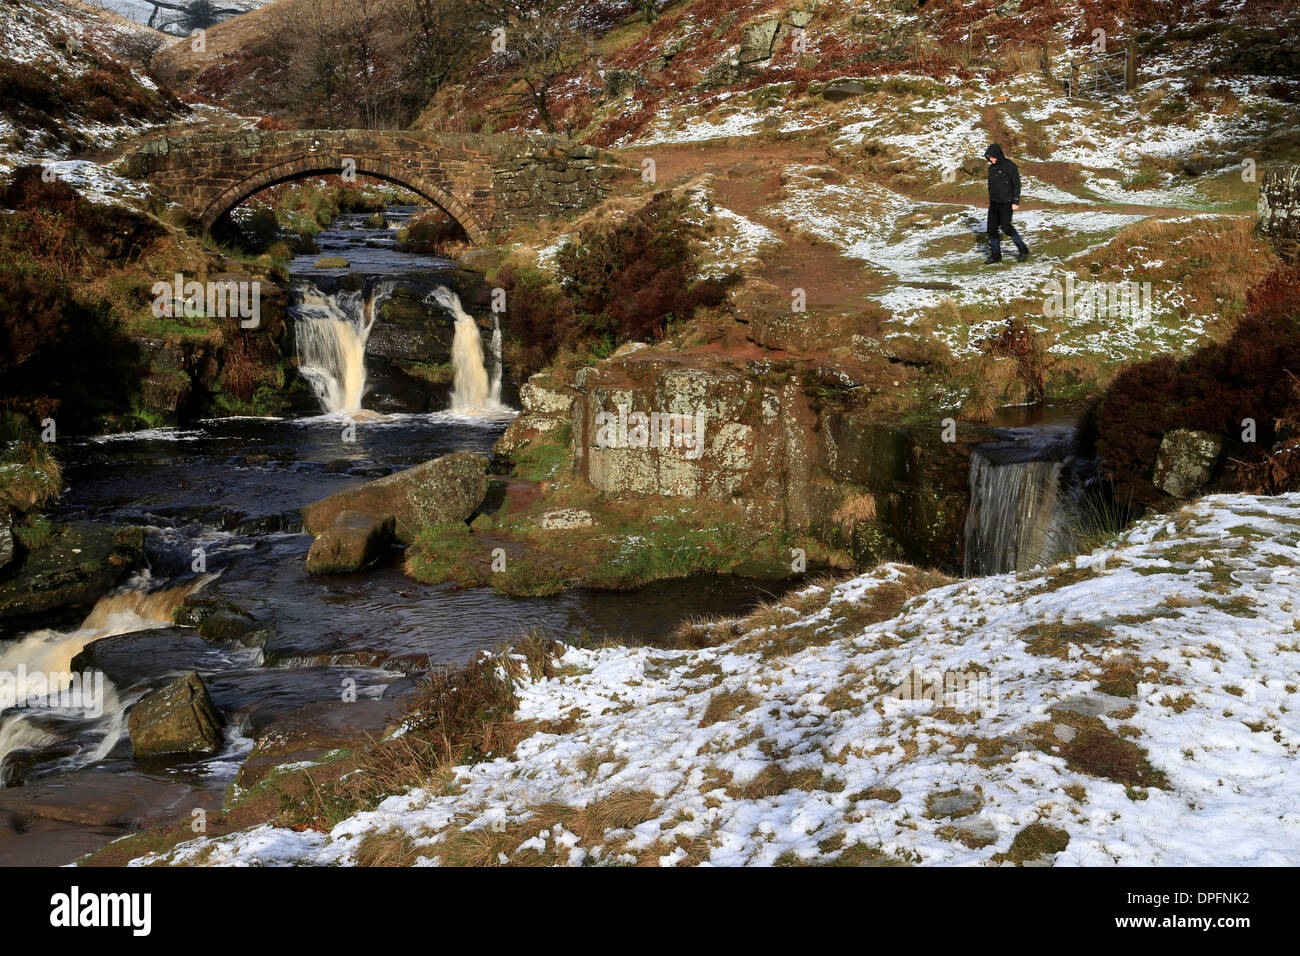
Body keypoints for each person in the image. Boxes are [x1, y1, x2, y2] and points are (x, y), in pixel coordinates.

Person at [983, 143, 1029, 264]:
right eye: (988, 158)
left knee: (1006, 227)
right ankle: (996, 255)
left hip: (1006, 203)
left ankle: (1023, 250)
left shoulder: (1009, 166)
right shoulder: (991, 168)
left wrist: (1015, 201)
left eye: (992, 157)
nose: (991, 160)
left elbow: (1016, 184)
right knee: (991, 229)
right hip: (994, 203)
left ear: (997, 154)